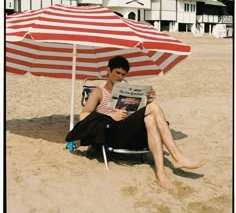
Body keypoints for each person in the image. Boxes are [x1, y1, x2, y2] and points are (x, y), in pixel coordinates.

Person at [65, 56, 205, 189]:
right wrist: (110, 116)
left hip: (130, 132)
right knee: (153, 108)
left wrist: (148, 100)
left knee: (150, 118)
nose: (120, 77)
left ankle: (161, 174)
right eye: (117, 72)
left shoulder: (128, 91)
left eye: (123, 74)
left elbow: (139, 113)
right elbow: (84, 116)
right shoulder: (98, 92)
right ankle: (177, 156)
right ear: (108, 71)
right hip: (113, 134)